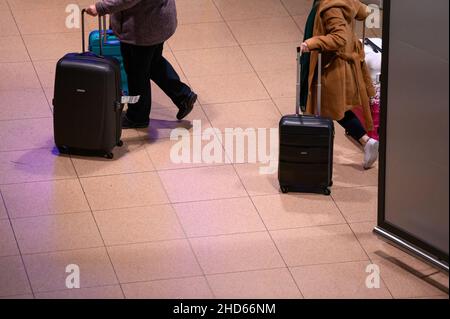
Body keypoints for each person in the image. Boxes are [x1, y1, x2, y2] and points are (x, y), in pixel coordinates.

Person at [86, 0, 197, 129]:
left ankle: (137, 117)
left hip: (142, 28)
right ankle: (183, 96)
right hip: (156, 20)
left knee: (136, 73)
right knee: (152, 63)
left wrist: (101, 7)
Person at [300, 0, 379, 169]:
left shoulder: (331, 6)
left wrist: (312, 43)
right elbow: (363, 11)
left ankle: (364, 141)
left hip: (331, 67)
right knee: (334, 108)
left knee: (326, 107)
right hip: (342, 65)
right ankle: (365, 141)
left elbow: (339, 38)